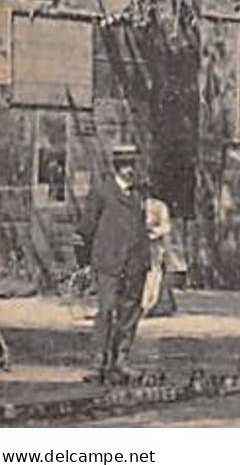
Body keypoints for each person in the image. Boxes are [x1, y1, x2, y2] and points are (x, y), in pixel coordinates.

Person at [76, 144, 151, 384]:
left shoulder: (139, 194)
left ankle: (121, 360)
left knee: (130, 312)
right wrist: (85, 262)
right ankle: (98, 363)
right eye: (125, 165)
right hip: (108, 263)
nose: (130, 170)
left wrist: (146, 261)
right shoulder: (102, 192)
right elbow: (86, 230)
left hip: (135, 264)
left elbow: (141, 229)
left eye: (133, 165)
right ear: (117, 167)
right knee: (107, 310)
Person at [139, 194, 178, 318]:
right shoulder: (132, 203)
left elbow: (166, 226)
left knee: (153, 276)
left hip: (154, 246)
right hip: (136, 246)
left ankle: (147, 304)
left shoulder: (159, 206)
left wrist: (152, 232)